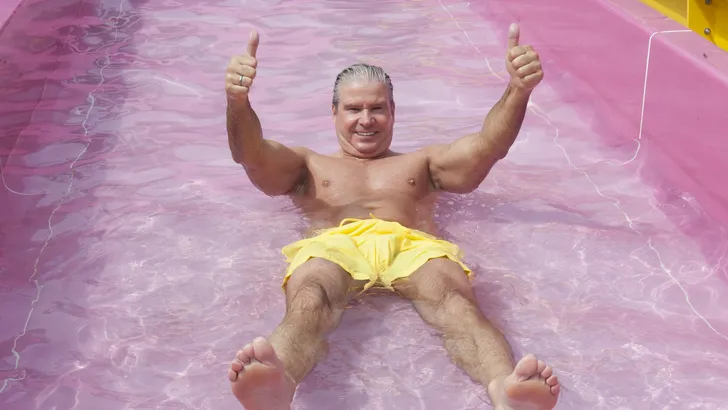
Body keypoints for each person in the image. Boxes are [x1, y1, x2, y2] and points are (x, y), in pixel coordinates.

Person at [223, 23, 561, 410]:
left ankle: (505, 390)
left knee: (454, 301)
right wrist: (238, 102)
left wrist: (518, 90)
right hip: (334, 244)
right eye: (354, 109)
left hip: (413, 245)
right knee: (311, 296)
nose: (366, 119)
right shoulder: (308, 166)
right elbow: (251, 155)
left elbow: (488, 146)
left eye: (377, 108)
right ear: (334, 113)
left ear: (393, 112)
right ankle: (278, 385)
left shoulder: (423, 163)